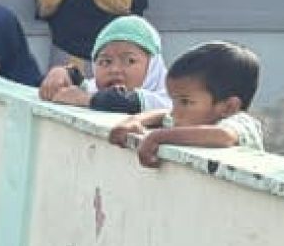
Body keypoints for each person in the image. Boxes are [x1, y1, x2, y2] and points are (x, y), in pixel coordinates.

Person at [108, 41, 264, 166]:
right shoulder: (187, 118)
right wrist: (133, 121)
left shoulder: (242, 123)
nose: (174, 112)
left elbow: (223, 136)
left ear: (229, 107)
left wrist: (157, 137)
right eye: (174, 101)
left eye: (185, 102)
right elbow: (163, 114)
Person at [38, 14, 168, 115]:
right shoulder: (97, 90)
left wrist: (84, 99)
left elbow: (122, 102)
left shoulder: (169, 98)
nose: (115, 69)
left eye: (130, 61)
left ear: (153, 66)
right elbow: (82, 84)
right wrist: (61, 74)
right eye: (105, 62)